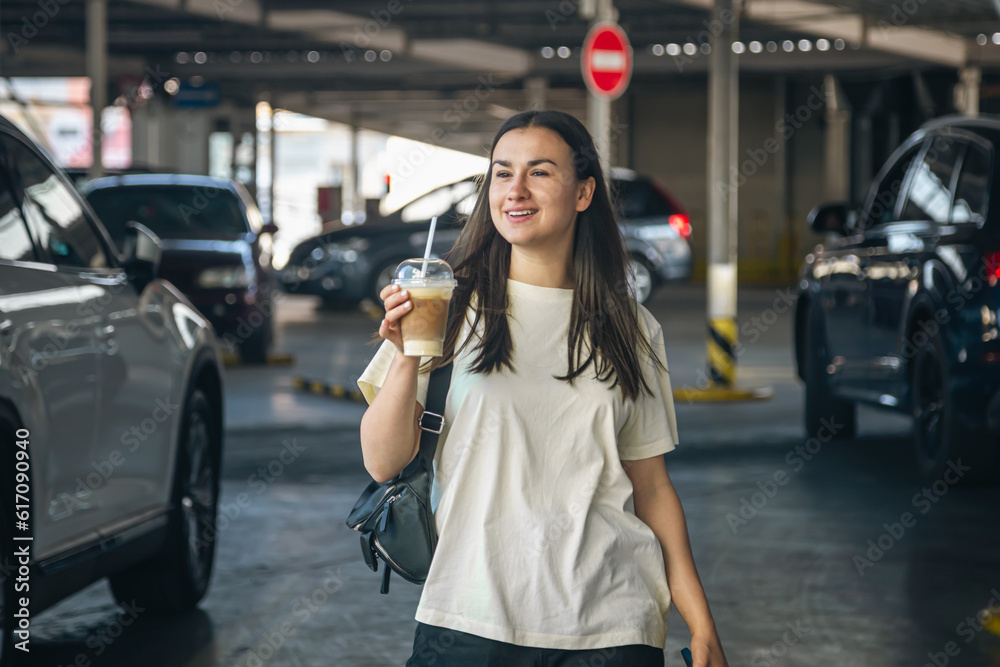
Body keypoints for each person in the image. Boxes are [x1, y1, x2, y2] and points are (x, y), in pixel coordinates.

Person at [357, 110, 728, 667]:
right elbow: (384, 463)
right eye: (502, 173)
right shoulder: (443, 308)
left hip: (611, 623)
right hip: (469, 616)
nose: (516, 190)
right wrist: (411, 351)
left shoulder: (631, 327)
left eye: (540, 172)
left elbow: (651, 487)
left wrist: (702, 627)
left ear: (583, 193)